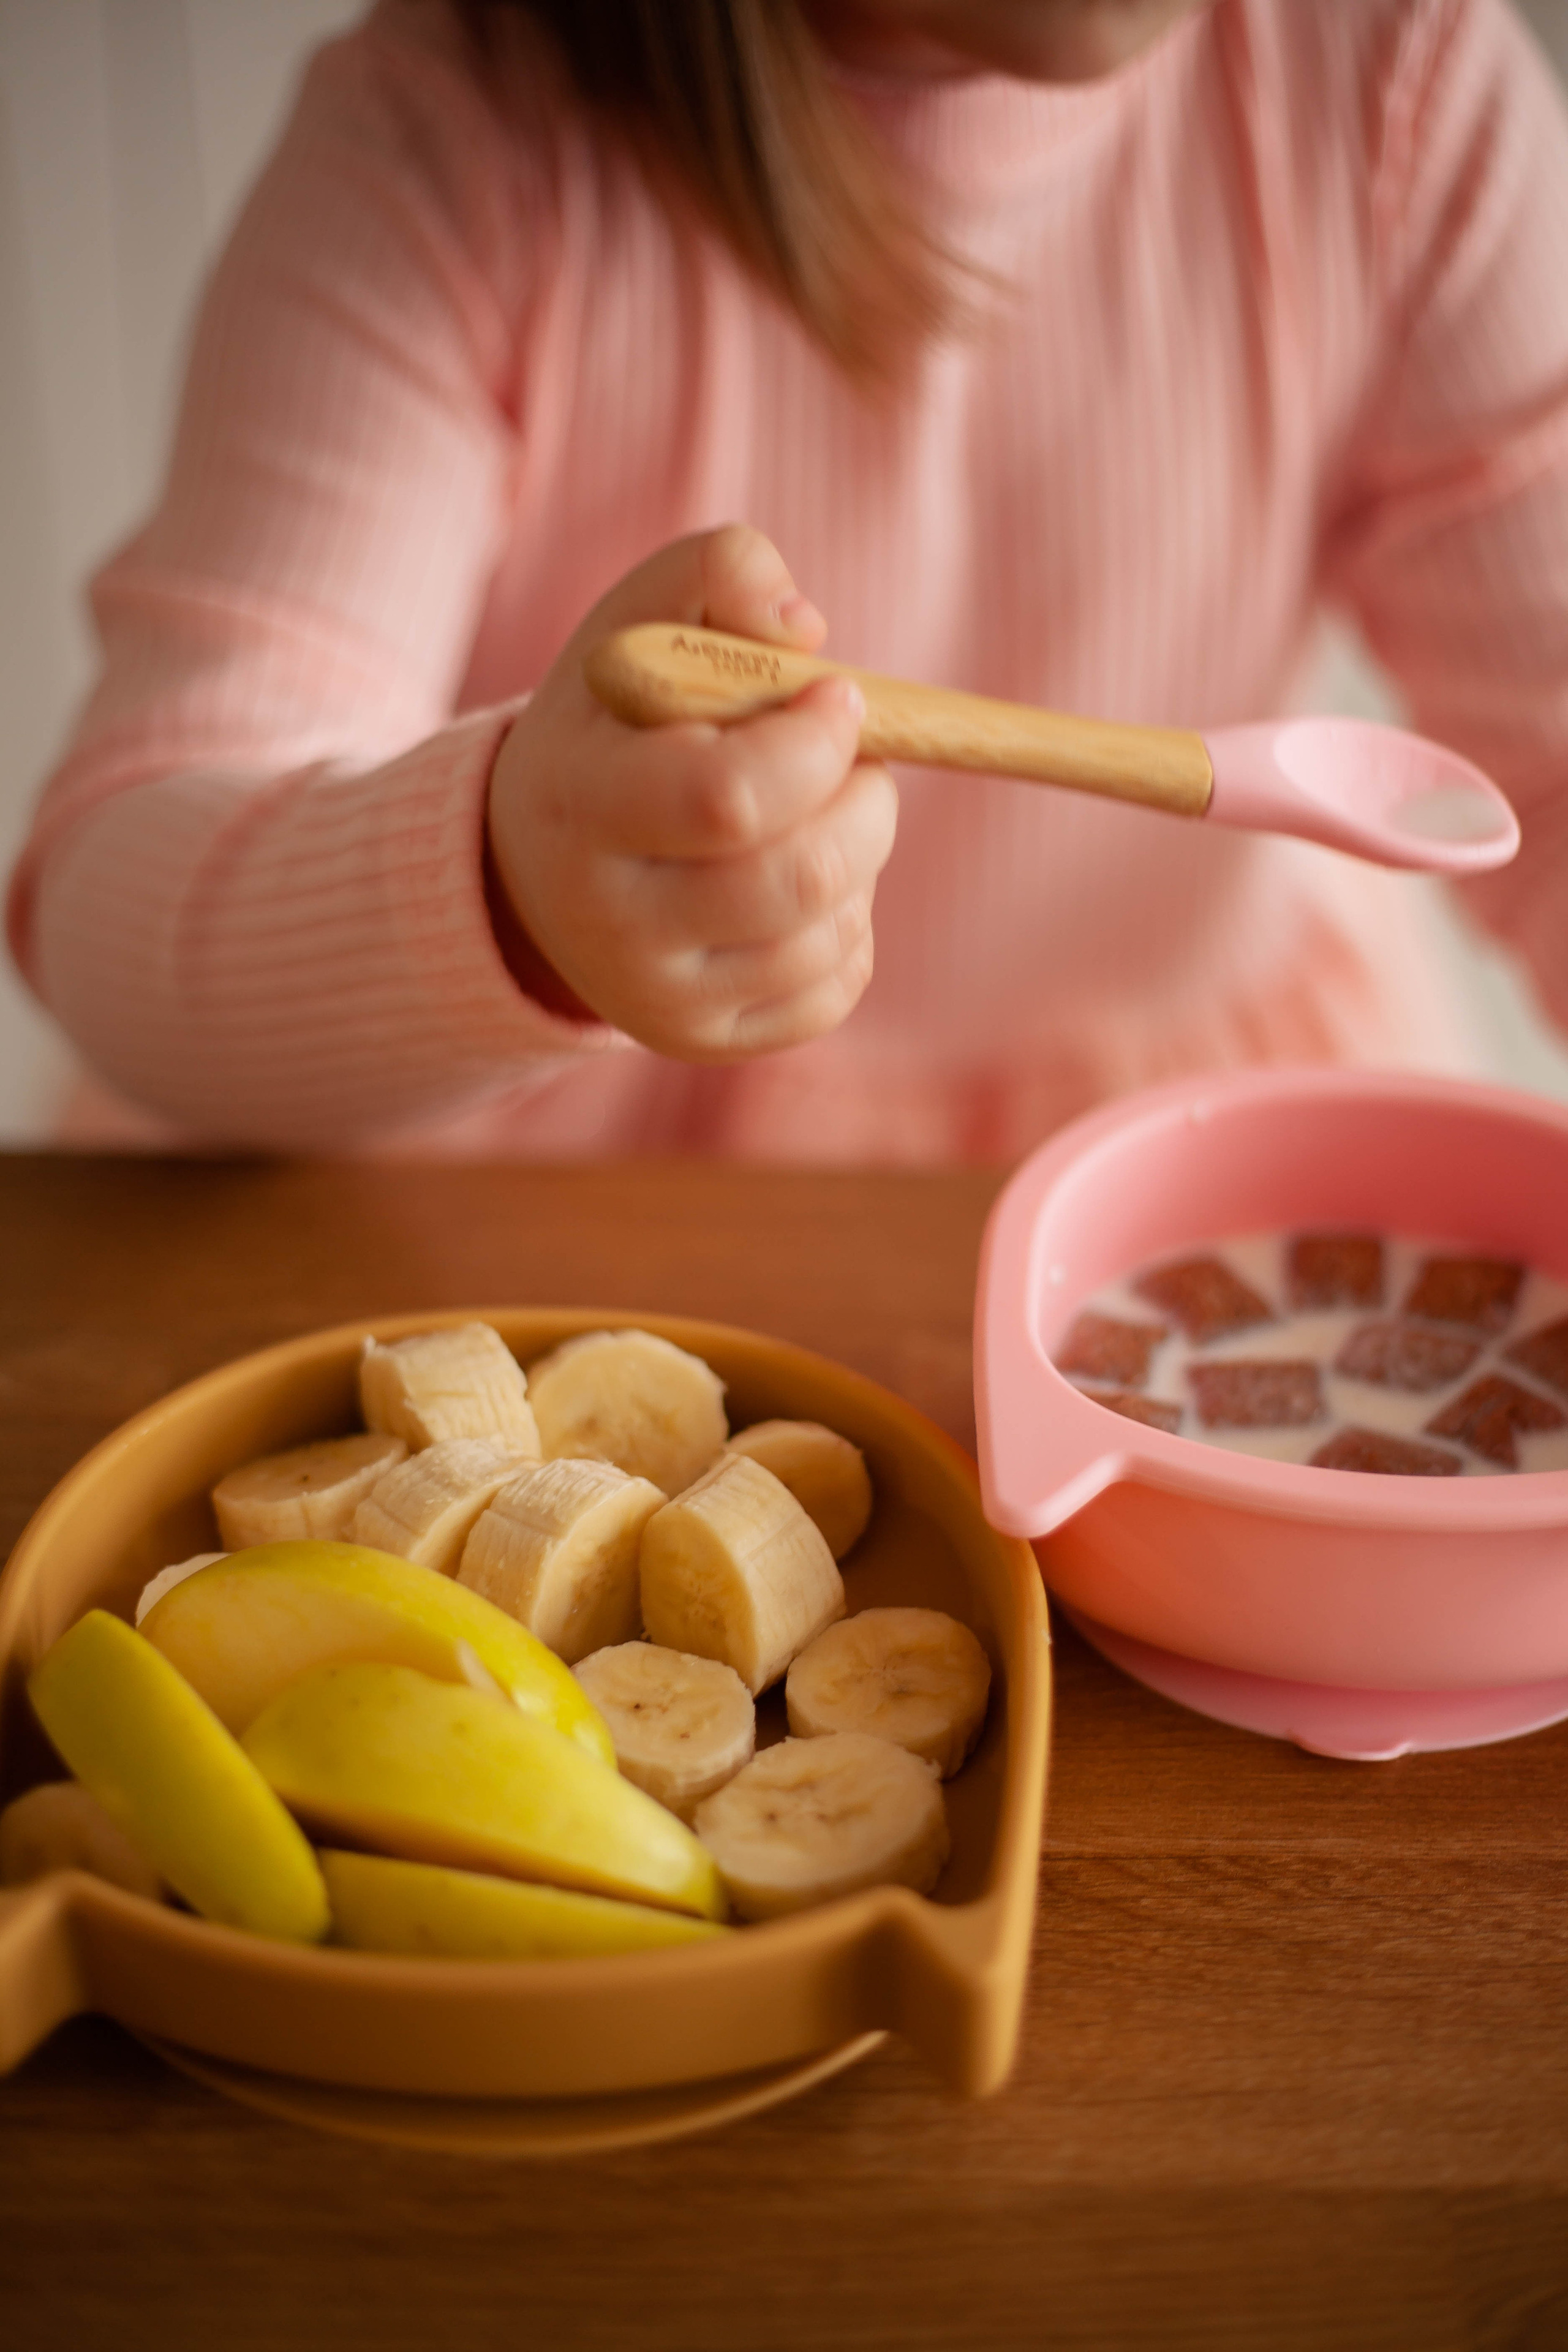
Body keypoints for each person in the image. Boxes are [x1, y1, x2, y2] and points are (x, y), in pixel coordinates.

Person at [8, 0, 1568, 1160]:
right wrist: (505, 885)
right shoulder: (450, 147)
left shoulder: (1399, 92)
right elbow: (115, 902)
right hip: (560, 1206)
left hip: (1193, 1141)